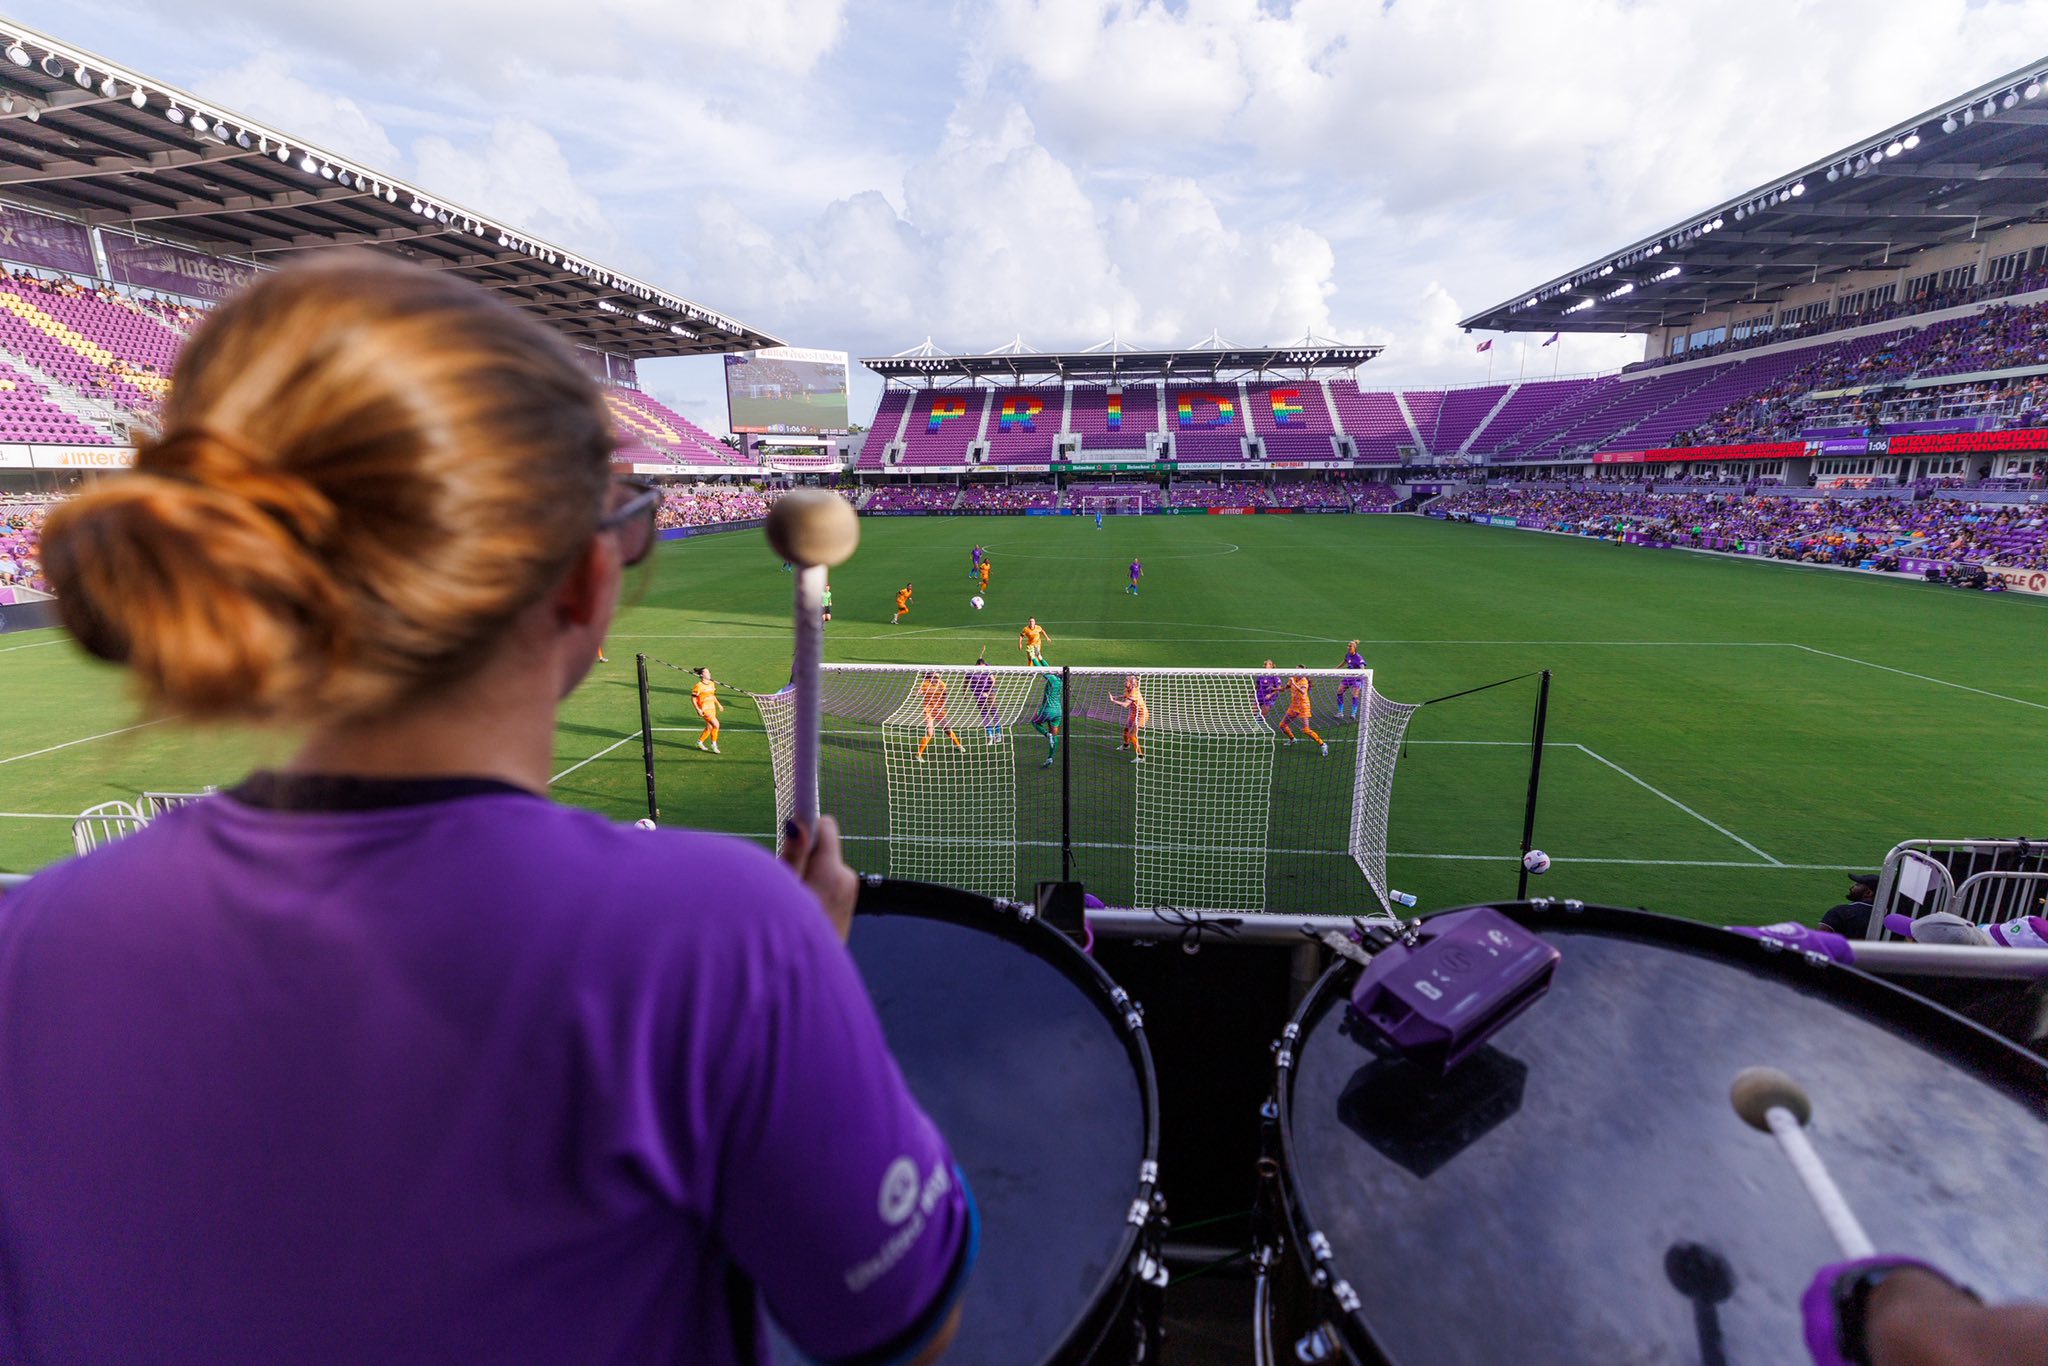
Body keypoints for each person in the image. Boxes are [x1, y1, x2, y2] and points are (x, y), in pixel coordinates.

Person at [1, 255, 973, 1366]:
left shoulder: (26, 941)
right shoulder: (717, 936)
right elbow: (902, 1321)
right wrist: (809, 972)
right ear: (580, 583)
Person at [916, 669, 965, 762]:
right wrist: (919, 692)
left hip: (939, 710)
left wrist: (941, 706)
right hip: (929, 711)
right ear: (931, 678)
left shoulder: (941, 684)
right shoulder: (926, 684)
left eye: (938, 677)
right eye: (935, 677)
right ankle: (919, 754)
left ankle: (958, 745)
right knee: (930, 733)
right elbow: (921, 690)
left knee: (947, 730)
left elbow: (945, 695)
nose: (937, 679)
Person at [1820, 872, 1880, 939]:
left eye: (1857, 885)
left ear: (1868, 893)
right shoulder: (1888, 915)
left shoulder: (1840, 912)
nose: (1851, 887)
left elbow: (1819, 940)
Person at [1280, 673, 1329, 756]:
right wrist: (1274, 689)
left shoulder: (1304, 681)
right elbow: (1285, 689)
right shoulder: (1294, 678)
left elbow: (1302, 691)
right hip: (1294, 706)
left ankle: (1323, 744)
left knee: (1306, 729)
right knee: (1282, 725)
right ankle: (1292, 739)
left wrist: (1293, 683)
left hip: (1304, 706)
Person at [1029, 659, 1063, 768]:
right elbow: (1049, 668)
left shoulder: (1052, 679)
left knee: (1034, 722)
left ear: (1059, 674)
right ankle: (1050, 758)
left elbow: (1043, 669)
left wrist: (1034, 658)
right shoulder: (1061, 682)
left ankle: (1046, 734)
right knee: (1055, 736)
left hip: (1047, 710)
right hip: (1058, 712)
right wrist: (1041, 657)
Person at [1111, 673, 1148, 762]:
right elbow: (1126, 695)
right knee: (1126, 730)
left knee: (1132, 735)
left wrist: (1114, 700)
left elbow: (1125, 705)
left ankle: (1140, 757)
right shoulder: (1128, 689)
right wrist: (1117, 696)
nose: (1125, 682)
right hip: (1133, 713)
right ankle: (1126, 745)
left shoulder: (1134, 692)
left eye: (1127, 681)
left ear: (1132, 683)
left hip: (1141, 715)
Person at [968, 654, 1001, 744]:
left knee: (993, 710)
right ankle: (990, 735)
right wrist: (964, 693)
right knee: (984, 713)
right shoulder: (971, 671)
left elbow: (993, 680)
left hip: (990, 691)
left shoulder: (987, 668)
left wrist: (988, 692)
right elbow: (966, 682)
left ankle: (998, 734)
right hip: (978, 693)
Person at [692, 666, 722, 754]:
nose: (709, 673)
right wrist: (698, 709)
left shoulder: (712, 683)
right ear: (702, 675)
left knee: (709, 727)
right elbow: (693, 699)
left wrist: (718, 704)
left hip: (712, 708)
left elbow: (712, 696)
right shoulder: (698, 686)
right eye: (707, 672)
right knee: (716, 725)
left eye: (709, 672)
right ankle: (714, 745)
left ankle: (699, 742)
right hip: (705, 709)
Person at [1336, 640, 1367, 720]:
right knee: (1339, 691)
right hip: (1349, 677)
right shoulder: (1348, 655)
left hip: (1357, 679)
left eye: (1350, 646)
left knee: (1354, 695)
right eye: (1348, 646)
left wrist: (1360, 674)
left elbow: (1362, 667)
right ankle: (1340, 712)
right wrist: (1336, 668)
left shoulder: (1359, 658)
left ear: (1355, 648)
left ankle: (1353, 714)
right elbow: (1345, 661)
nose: (1348, 647)